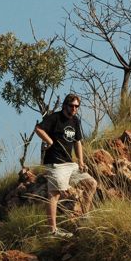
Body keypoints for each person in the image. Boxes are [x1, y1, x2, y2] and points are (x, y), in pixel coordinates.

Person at [35, 94, 97, 237]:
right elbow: (38, 129)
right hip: (56, 163)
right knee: (54, 194)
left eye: (76, 106)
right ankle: (53, 231)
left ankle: (84, 218)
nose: (74, 108)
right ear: (65, 105)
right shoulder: (54, 118)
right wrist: (49, 142)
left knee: (91, 183)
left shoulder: (75, 120)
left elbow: (77, 141)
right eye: (71, 105)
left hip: (71, 164)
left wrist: (80, 161)